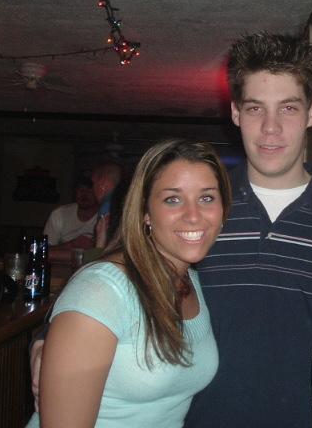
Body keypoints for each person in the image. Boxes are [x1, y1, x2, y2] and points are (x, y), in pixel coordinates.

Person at [26, 139, 231, 428]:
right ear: (145, 213)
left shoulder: (193, 282)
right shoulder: (103, 291)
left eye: (207, 198)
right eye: (173, 199)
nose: (194, 215)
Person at [185, 32, 312, 428]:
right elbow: (132, 270)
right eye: (255, 109)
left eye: (288, 108)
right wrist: (56, 329)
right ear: (236, 113)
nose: (270, 128)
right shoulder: (201, 209)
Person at [42, 174, 98, 262]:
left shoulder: (106, 217)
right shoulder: (59, 214)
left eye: (89, 190)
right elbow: (43, 251)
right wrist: (72, 245)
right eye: (80, 189)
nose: (84, 194)